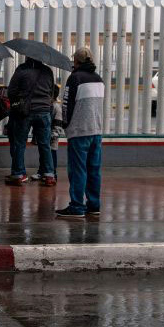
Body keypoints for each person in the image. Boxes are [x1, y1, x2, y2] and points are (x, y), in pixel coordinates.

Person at [57, 48, 105, 218]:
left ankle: (77, 206)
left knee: (78, 170)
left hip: (79, 131)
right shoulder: (99, 79)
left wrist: (66, 125)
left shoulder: (74, 78)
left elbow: (66, 104)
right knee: (94, 170)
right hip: (96, 131)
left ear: (76, 62)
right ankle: (93, 205)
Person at [5, 57, 56, 187]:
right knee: (45, 144)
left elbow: (11, 91)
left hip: (24, 111)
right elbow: (52, 91)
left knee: (19, 143)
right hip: (44, 111)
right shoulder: (48, 71)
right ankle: (49, 175)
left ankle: (18, 174)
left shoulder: (22, 70)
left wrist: (20, 99)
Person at [33, 85, 63, 181]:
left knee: (51, 155)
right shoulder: (47, 106)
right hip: (45, 137)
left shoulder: (56, 108)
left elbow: (58, 125)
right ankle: (42, 172)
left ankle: (52, 173)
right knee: (43, 155)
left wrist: (52, 136)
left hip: (52, 138)